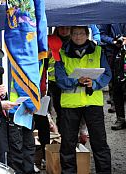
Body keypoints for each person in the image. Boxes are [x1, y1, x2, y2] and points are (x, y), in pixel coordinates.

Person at [55, 26, 112, 173]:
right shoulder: (62, 53)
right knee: (68, 144)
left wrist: (95, 83)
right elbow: (60, 79)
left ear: (87, 35)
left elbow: (107, 74)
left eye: (81, 33)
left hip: (93, 102)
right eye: (75, 33)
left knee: (100, 143)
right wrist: (75, 81)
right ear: (71, 34)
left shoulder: (99, 51)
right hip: (70, 105)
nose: (78, 36)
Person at [97, 24, 126, 130]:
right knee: (116, 86)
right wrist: (114, 41)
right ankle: (120, 118)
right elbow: (102, 35)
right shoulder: (110, 13)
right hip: (114, 54)